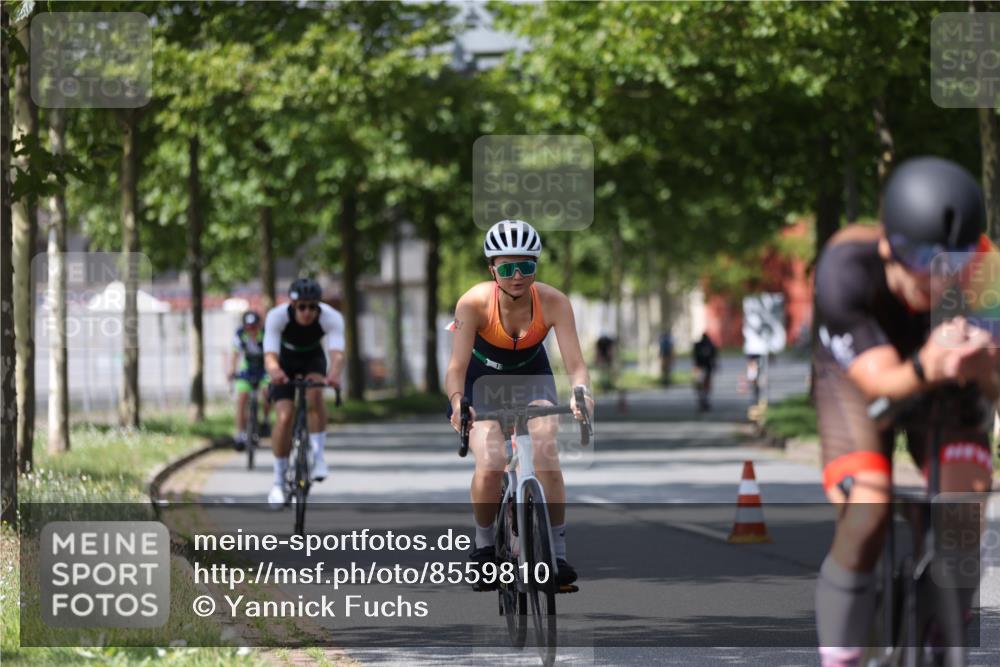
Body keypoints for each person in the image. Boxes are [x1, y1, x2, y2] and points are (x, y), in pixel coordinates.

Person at [811, 157, 998, 667]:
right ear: (889, 246)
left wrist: (986, 367)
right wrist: (928, 362)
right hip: (858, 379)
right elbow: (881, 382)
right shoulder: (845, 267)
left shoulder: (987, 272)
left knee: (962, 517)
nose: (937, 278)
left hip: (953, 382)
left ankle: (945, 640)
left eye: (954, 262)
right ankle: (841, 655)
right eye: (920, 259)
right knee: (867, 512)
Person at [444, 219, 594, 589]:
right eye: (507, 267)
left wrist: (581, 394)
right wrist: (458, 403)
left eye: (525, 266)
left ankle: (556, 554)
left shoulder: (554, 302)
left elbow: (576, 366)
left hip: (532, 379)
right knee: (492, 461)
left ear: (535, 267)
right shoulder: (473, 303)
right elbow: (456, 367)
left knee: (545, 451)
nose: (517, 276)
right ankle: (483, 549)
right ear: (492, 268)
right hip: (482, 384)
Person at [263, 278, 346, 508]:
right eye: (302, 306)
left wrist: (334, 374)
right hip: (285, 360)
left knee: (315, 396)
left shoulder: (332, 317)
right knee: (284, 416)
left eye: (313, 306)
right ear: (292, 304)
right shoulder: (276, 316)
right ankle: (278, 482)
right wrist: (276, 372)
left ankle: (318, 458)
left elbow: (337, 353)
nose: (307, 312)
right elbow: (269, 355)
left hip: (313, 359)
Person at [228, 310, 271, 450]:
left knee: (267, 393)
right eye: (248, 327)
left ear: (259, 325)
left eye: (254, 326)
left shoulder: (266, 334)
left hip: (264, 368)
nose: (251, 330)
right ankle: (240, 434)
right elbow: (235, 354)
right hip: (248, 368)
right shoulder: (240, 334)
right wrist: (232, 370)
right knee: (242, 399)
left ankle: (265, 420)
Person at [692, 332, 718, 411]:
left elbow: (695, 357)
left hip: (701, 367)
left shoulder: (698, 345)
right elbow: (714, 358)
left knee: (700, 385)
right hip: (704, 367)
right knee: (703, 385)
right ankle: (704, 399)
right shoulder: (711, 346)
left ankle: (703, 399)